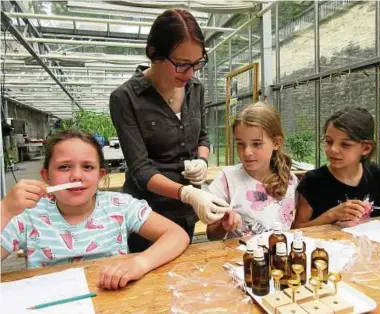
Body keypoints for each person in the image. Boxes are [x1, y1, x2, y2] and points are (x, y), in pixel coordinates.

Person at [1, 130, 190, 290]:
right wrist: (5, 208)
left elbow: (177, 235)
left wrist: (139, 264)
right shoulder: (27, 215)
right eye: (64, 167)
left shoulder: (119, 206)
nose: (76, 176)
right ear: (46, 176)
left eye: (88, 167)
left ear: (100, 175)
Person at [109, 9, 229, 252]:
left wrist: (202, 161)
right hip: (148, 214)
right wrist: (186, 193)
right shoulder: (126, 98)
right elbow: (141, 169)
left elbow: (202, 136)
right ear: (154, 54)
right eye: (182, 65)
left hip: (187, 211)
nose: (190, 73)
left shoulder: (195, 88)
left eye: (197, 64)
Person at [294, 107, 380, 228]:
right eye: (329, 141)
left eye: (345, 144)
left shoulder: (375, 174)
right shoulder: (313, 181)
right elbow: (297, 228)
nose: (333, 149)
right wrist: (331, 215)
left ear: (366, 148)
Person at [206, 103, 299, 240]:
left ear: (276, 143)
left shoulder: (290, 181)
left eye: (256, 144)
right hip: (240, 258)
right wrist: (223, 226)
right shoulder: (227, 179)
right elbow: (211, 235)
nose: (247, 152)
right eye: (240, 144)